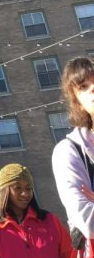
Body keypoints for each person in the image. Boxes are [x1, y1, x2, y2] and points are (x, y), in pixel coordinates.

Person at [53, 56, 94, 246]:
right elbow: (87, 221)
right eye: (83, 86)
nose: (92, 88)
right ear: (77, 101)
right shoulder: (69, 152)